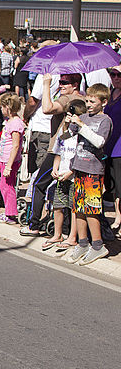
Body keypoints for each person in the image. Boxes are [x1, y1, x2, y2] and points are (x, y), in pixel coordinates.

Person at [20, 72, 83, 236]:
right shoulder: (81, 99)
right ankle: (65, 228)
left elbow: (47, 109)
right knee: (65, 189)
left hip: (59, 150)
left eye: (64, 82)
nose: (60, 85)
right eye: (60, 81)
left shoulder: (68, 99)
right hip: (66, 149)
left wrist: (46, 84)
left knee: (39, 184)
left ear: (75, 85)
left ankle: (33, 224)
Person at [65, 84, 113, 265]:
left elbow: (99, 141)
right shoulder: (83, 117)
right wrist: (70, 123)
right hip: (79, 167)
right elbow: (68, 136)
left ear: (103, 102)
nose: (89, 104)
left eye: (93, 101)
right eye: (87, 101)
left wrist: (82, 125)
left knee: (92, 209)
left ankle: (98, 245)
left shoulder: (105, 120)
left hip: (93, 170)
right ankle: (83, 242)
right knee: (79, 208)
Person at [43, 99, 82, 252]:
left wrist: (71, 172)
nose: (68, 117)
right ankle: (57, 234)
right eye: (67, 114)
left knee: (73, 208)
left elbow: (79, 155)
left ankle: (72, 236)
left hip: (73, 175)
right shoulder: (63, 132)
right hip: (61, 174)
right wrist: (55, 167)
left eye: (71, 115)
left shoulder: (80, 133)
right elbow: (58, 152)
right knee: (58, 205)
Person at [0, 92, 25, 224]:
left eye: (2, 107)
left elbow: (16, 145)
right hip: (5, 158)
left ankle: (10, 214)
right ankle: (8, 211)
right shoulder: (8, 121)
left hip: (10, 161)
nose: (1, 109)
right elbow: (5, 143)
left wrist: (9, 166)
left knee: (8, 186)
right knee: (4, 186)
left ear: (8, 107)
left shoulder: (16, 123)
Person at [105, 66, 121, 234]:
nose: (116, 78)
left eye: (119, 75)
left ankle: (119, 219)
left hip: (120, 148)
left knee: (120, 186)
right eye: (113, 74)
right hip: (108, 146)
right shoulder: (110, 94)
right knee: (113, 186)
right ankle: (117, 216)